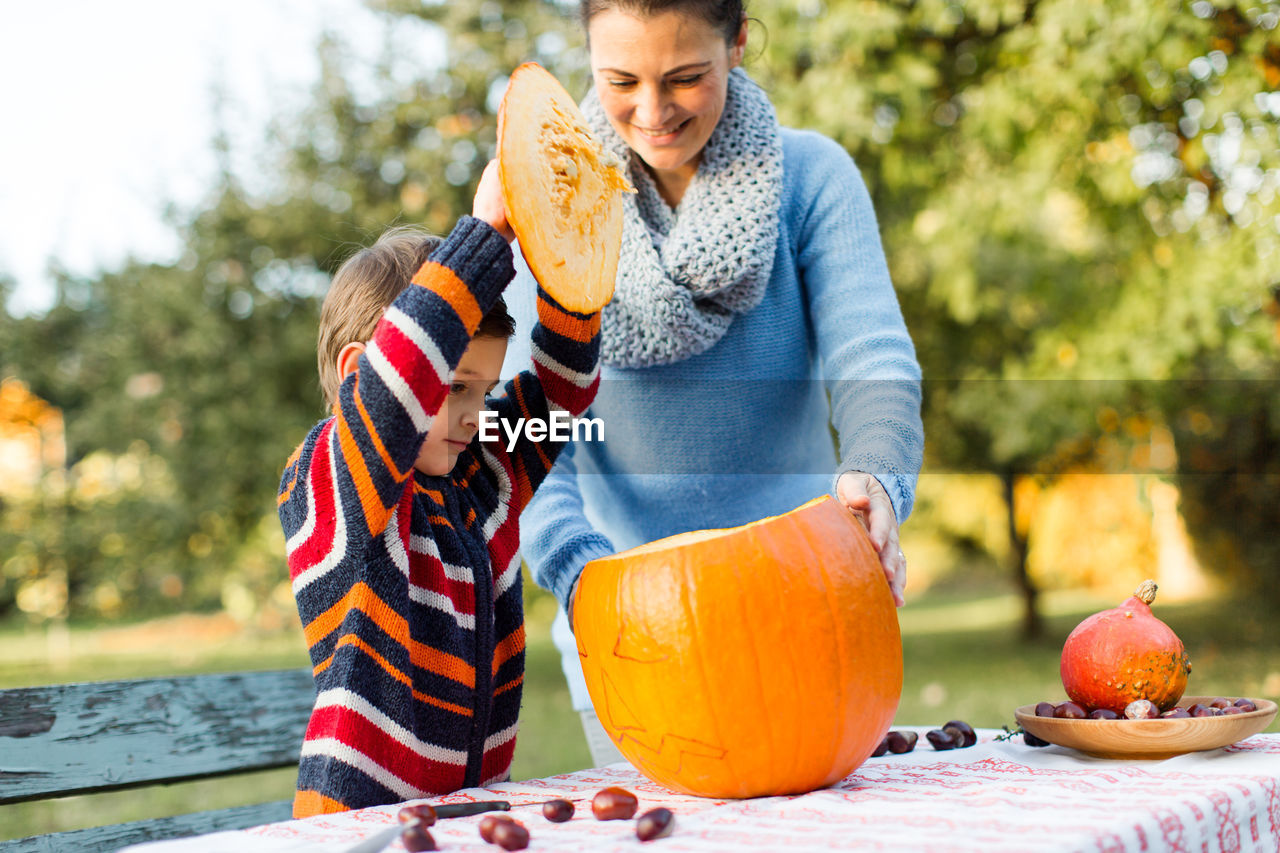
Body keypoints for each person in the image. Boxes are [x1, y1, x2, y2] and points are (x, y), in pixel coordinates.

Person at [500, 0, 924, 767]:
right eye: (620, 79)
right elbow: (522, 432)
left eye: (686, 77)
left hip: (809, 598)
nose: (653, 112)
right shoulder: (549, 207)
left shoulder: (812, 179)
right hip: (629, 625)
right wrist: (580, 572)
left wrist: (878, 477)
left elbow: (872, 359)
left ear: (736, 44)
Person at [278, 160, 602, 815]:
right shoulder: (337, 478)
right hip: (357, 825)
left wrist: (566, 252)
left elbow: (561, 391)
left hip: (463, 815)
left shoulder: (484, 479)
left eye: (482, 390)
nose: (474, 415)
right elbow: (397, 387)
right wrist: (485, 234)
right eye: (453, 389)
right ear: (355, 375)